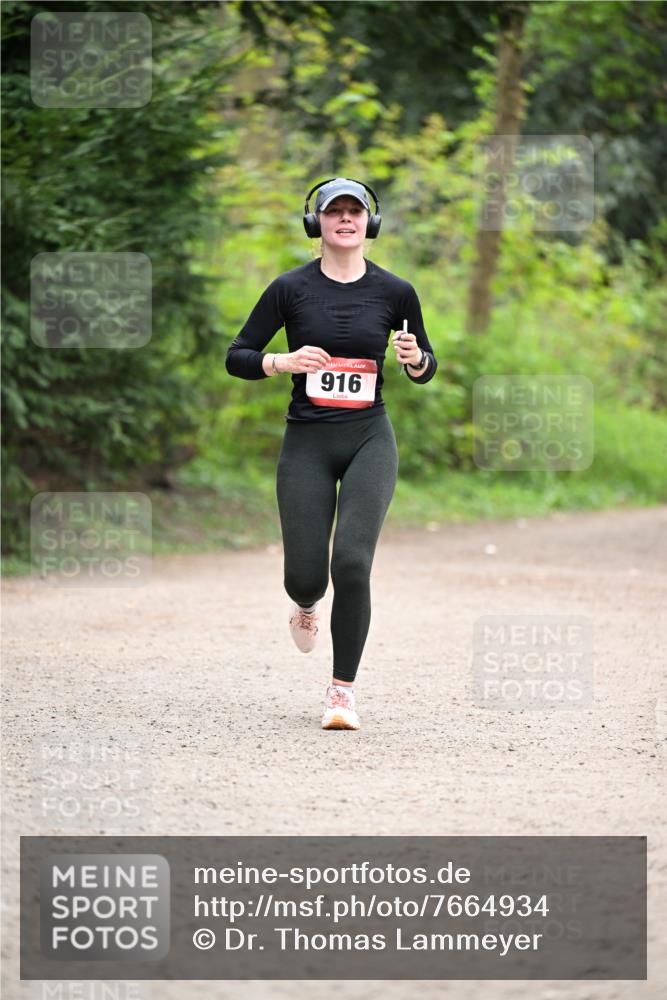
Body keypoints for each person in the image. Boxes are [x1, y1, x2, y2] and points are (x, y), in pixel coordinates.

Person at [225, 177, 437, 730]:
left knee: (353, 562)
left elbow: (425, 368)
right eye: (334, 211)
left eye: (355, 211)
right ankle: (305, 603)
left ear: (371, 223)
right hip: (308, 442)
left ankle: (341, 693)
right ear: (315, 223)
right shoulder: (288, 289)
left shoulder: (397, 292)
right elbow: (237, 355)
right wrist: (281, 363)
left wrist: (415, 358)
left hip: (370, 438)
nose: (345, 219)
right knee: (305, 576)